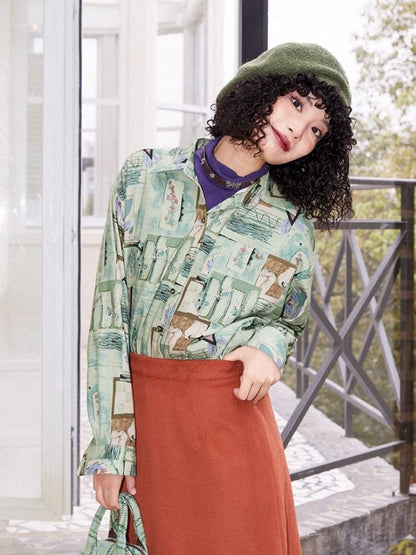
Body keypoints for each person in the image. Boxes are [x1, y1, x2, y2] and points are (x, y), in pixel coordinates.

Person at [79, 42, 355, 554]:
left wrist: (268, 349)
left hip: (234, 428)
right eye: (297, 103)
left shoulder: (290, 225)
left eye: (318, 130)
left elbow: (286, 321)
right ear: (259, 90)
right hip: (149, 424)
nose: (299, 130)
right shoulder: (144, 176)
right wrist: (112, 449)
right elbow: (109, 319)